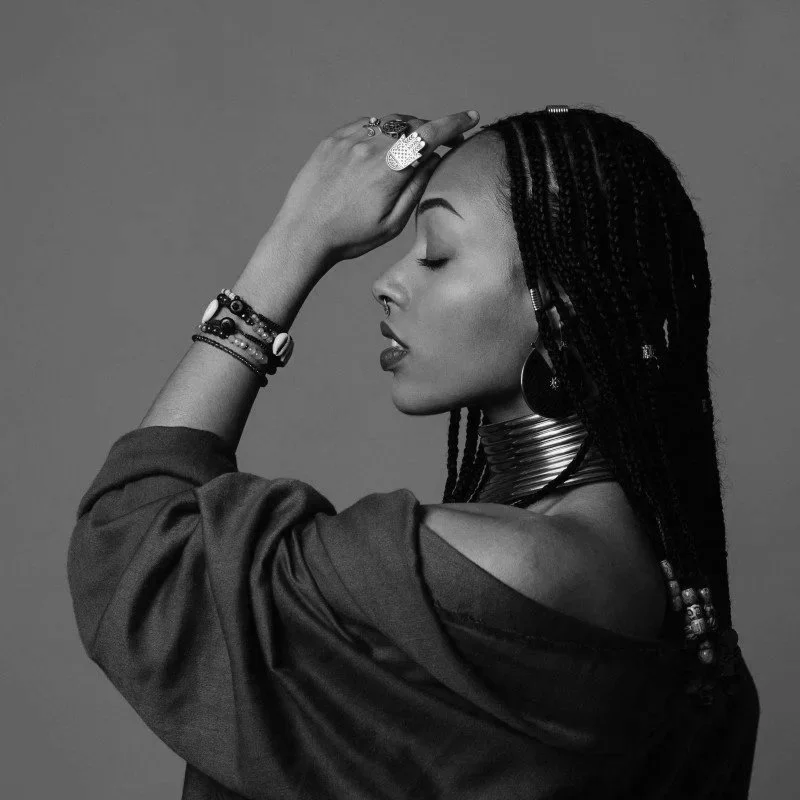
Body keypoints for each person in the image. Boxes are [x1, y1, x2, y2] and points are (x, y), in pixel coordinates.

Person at [67, 106, 760, 799]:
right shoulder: (657, 577)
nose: (386, 282)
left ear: (559, 307)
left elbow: (132, 551)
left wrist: (297, 239)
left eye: (435, 253)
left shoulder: (503, 567)